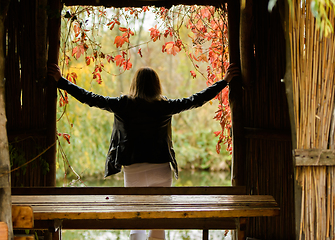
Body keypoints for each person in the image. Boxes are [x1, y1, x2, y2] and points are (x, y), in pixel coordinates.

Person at [48, 63, 240, 240]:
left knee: (137, 223)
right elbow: (196, 100)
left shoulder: (122, 104)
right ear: (156, 85)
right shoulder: (164, 106)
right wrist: (224, 81)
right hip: (161, 170)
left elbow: (89, 98)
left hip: (134, 171)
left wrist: (61, 81)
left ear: (135, 84)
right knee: (158, 224)